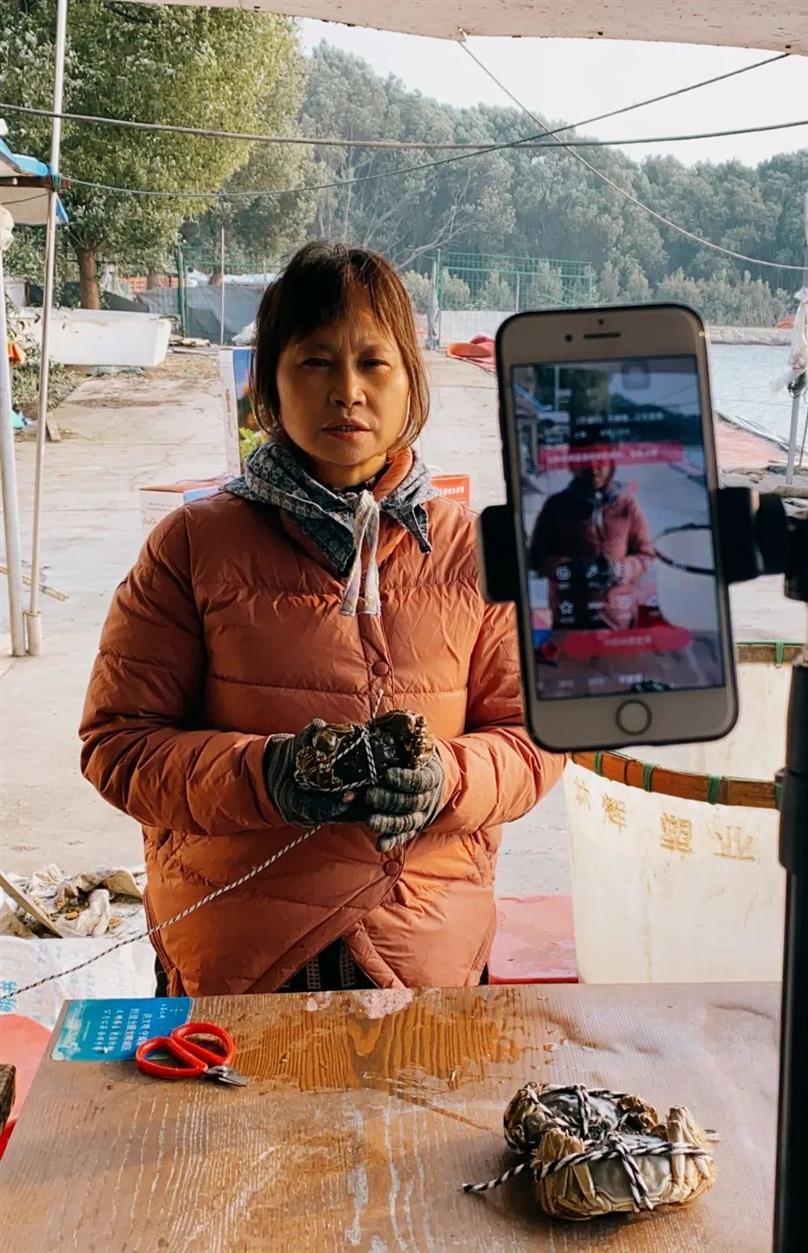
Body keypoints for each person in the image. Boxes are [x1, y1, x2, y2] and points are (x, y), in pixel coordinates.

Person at [80, 242, 563, 996]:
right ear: (269, 384)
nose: (347, 390)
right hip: (237, 958)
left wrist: (445, 779)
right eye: (314, 361)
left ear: (411, 383)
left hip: (424, 950)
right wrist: (268, 774)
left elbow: (534, 738)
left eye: (374, 362)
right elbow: (118, 746)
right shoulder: (190, 546)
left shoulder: (474, 550)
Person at [529, 462, 654, 631]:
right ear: (573, 464)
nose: (594, 469)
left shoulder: (627, 505)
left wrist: (620, 570)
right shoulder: (556, 505)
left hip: (617, 619)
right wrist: (568, 568)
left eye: (601, 462)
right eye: (586, 462)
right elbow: (538, 557)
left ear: (611, 465)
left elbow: (645, 555)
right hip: (570, 615)